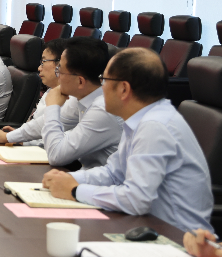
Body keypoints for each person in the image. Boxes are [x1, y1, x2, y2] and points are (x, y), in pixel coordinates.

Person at [42, 48, 213, 232]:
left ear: (124, 89)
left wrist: (75, 190)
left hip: (176, 238)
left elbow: (136, 200)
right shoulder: (139, 119)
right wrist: (68, 178)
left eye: (104, 80)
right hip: (146, 227)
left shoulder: (155, 126)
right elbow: (114, 173)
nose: (101, 87)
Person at [0, 37, 121, 168]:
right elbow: (44, 123)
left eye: (60, 71)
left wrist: (53, 106)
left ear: (80, 81)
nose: (58, 76)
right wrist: (8, 137)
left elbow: (56, 155)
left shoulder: (103, 110)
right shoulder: (82, 96)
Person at [0, 37, 68, 147]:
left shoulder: (71, 99)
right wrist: (16, 136)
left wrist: (17, 139)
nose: (39, 68)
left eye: (43, 62)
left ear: (61, 64)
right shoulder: (51, 90)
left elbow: (56, 143)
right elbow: (39, 126)